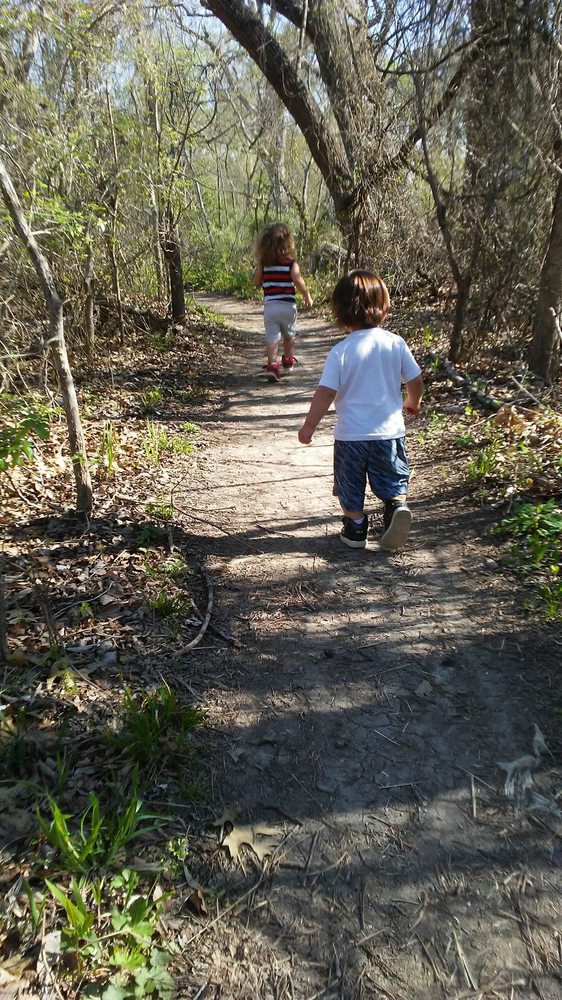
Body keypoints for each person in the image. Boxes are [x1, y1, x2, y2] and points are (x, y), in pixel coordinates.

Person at [298, 270, 423, 550]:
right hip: (388, 435)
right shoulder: (395, 343)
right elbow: (415, 379)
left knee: (349, 485)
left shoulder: (341, 352)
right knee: (392, 478)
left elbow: (325, 393)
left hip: (351, 437)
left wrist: (309, 427)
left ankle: (355, 528)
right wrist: (413, 401)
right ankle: (395, 508)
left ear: (340, 314)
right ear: (385, 310)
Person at [253, 222, 313, 383]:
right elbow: (298, 281)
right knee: (289, 335)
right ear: (288, 244)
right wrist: (307, 296)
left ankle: (272, 365)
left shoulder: (264, 265)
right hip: (288, 307)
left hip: (271, 307)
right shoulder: (291, 265)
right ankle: (287, 360)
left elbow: (256, 283)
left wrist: (261, 270)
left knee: (272, 337)